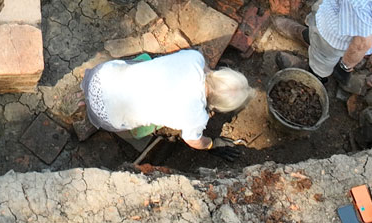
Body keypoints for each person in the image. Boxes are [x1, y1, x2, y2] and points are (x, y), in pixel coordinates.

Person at [83, 50, 251, 149]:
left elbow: (204, 68)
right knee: (146, 127)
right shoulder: (197, 118)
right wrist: (210, 143)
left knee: (145, 60)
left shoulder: (195, 58)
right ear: (220, 106)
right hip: (105, 117)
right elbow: (193, 140)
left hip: (99, 76)